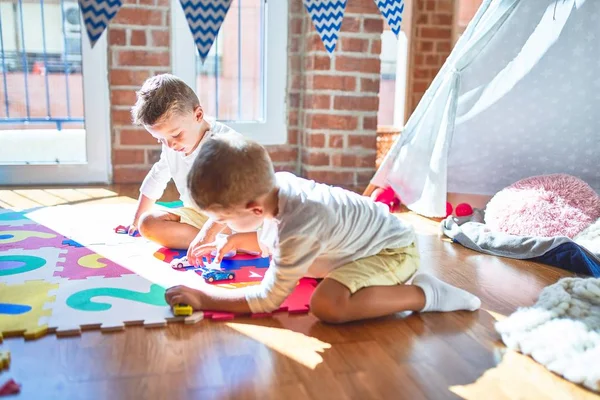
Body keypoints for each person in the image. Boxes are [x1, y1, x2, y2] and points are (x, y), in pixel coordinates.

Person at [165, 132, 481, 323]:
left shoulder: (300, 224)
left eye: (222, 220)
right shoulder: (275, 185)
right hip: (350, 242)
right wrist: (214, 232)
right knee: (272, 247)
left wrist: (205, 299)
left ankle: (425, 295)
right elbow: (269, 231)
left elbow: (267, 299)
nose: (221, 226)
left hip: (392, 252)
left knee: (328, 305)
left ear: (255, 210)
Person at [129, 73, 234, 264]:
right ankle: (220, 244)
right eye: (161, 139)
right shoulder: (173, 144)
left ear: (198, 115)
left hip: (236, 217)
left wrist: (207, 234)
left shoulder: (224, 147)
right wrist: (136, 220)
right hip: (199, 214)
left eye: (176, 135)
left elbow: (234, 203)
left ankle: (231, 241)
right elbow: (158, 175)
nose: (170, 145)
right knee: (148, 223)